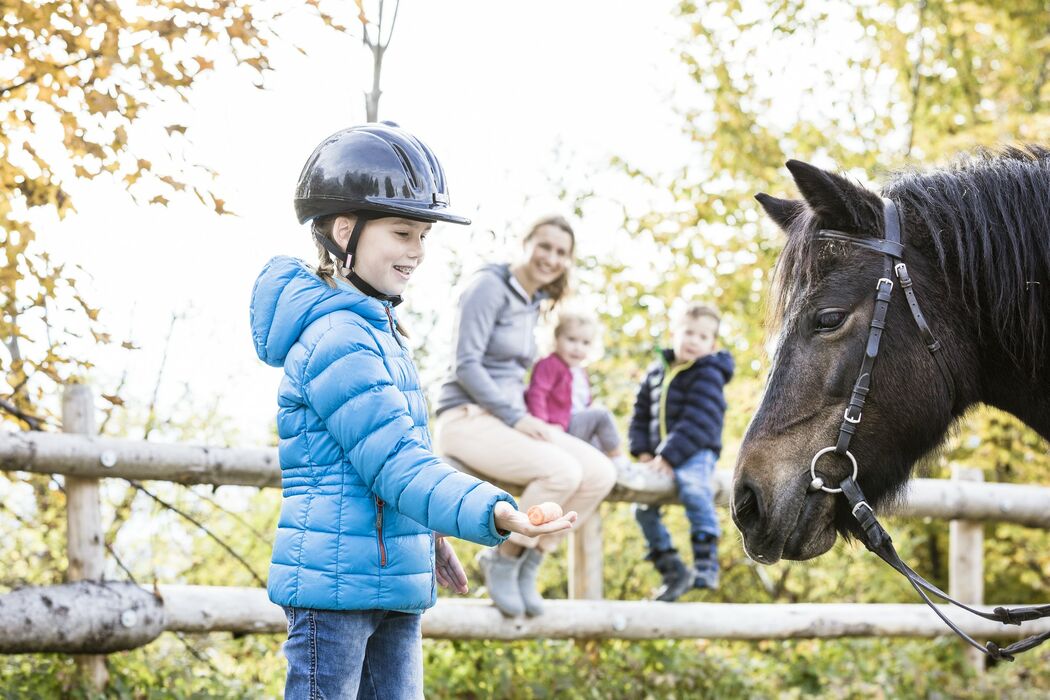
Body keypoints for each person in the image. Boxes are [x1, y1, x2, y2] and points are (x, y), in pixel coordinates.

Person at [249, 122, 577, 699]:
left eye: (423, 235)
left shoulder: (379, 330)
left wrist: (424, 531)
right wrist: (498, 514)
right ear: (344, 230)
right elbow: (395, 464)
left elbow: (392, 460)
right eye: (402, 232)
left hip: (387, 581)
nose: (417, 252)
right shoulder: (337, 338)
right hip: (335, 594)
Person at [433, 216, 617, 618]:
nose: (551, 258)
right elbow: (466, 364)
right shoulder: (488, 287)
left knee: (600, 472)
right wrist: (517, 417)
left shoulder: (532, 302)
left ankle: (524, 560)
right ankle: (501, 555)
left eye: (561, 252)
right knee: (563, 472)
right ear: (525, 242)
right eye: (545, 246)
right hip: (467, 416)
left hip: (506, 419)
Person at [628, 302, 734, 602]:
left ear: (712, 345)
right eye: (688, 332)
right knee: (640, 506)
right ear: (674, 332)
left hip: (695, 452)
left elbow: (699, 420)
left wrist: (669, 456)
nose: (693, 341)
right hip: (659, 458)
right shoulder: (655, 373)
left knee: (694, 490)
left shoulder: (708, 373)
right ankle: (671, 568)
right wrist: (644, 453)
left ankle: (705, 563)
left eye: (702, 337)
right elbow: (639, 416)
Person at [524, 311, 645, 485]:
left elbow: (583, 403)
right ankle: (620, 462)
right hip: (558, 427)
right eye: (571, 340)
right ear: (556, 338)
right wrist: (542, 425)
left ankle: (609, 468)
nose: (578, 348)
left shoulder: (580, 371)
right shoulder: (549, 364)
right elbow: (537, 393)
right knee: (601, 416)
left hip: (575, 427)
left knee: (597, 437)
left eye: (585, 343)